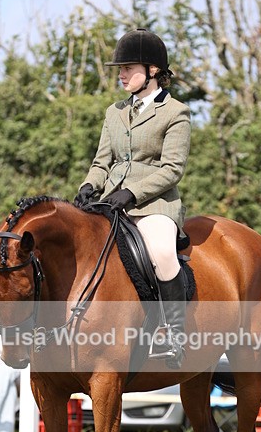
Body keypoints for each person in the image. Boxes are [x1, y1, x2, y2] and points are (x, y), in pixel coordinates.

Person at [74, 28, 191, 368]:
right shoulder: (114, 112)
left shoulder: (176, 113)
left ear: (153, 70)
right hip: (112, 203)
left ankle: (173, 335)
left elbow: (172, 170)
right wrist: (89, 186)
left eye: (128, 67)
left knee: (162, 254)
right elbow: (102, 162)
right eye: (120, 68)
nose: (121, 74)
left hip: (154, 207)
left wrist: (133, 193)